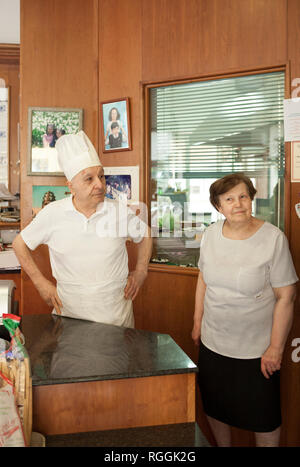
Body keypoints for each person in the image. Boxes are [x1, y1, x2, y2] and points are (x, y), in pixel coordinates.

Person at [191, 173, 298, 447]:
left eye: (243, 196)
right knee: (215, 407)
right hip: (213, 343)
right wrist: (196, 323)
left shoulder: (273, 238)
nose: (237, 204)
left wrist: (275, 348)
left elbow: (286, 296)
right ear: (218, 206)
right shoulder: (211, 233)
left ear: (252, 199)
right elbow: (203, 278)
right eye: (229, 199)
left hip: (256, 351)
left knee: (264, 417)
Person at [13, 131, 152, 328]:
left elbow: (145, 234)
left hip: (116, 321)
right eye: (89, 179)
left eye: (101, 176)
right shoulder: (53, 214)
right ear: (71, 186)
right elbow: (19, 244)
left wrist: (141, 271)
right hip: (69, 320)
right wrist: (39, 282)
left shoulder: (118, 212)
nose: (100, 185)